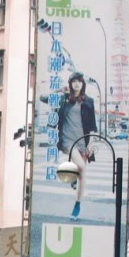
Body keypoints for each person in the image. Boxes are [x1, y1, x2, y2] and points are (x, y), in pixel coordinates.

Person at [54, 71, 98, 220]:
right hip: (68, 140)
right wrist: (58, 91)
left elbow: (92, 125)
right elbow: (42, 98)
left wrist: (91, 142)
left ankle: (77, 204)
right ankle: (73, 177)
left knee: (81, 174)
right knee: (82, 167)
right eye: (74, 81)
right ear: (70, 84)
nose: (77, 84)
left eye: (79, 81)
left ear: (83, 83)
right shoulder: (64, 99)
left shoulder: (89, 101)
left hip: (83, 140)